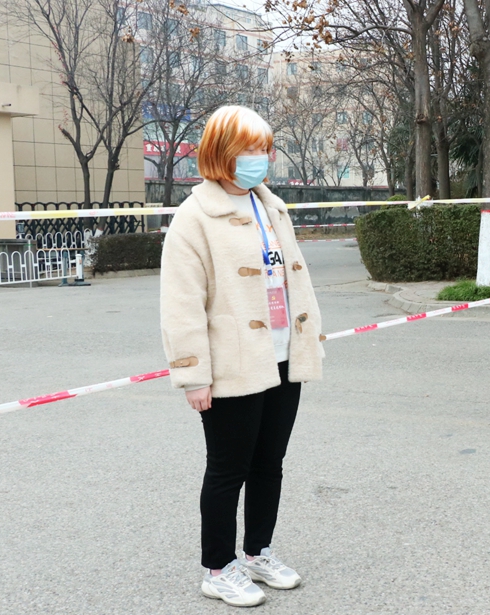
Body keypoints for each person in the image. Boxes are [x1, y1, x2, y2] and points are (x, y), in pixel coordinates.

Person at [160, 105, 324, 607]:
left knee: (269, 462)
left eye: (264, 148)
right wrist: (193, 374)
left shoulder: (270, 206)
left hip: (282, 354)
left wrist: (309, 339)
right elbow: (181, 303)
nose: (260, 157)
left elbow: (292, 278)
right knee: (228, 468)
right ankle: (217, 568)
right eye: (249, 148)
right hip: (232, 361)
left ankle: (256, 553)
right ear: (221, 151)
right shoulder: (194, 217)